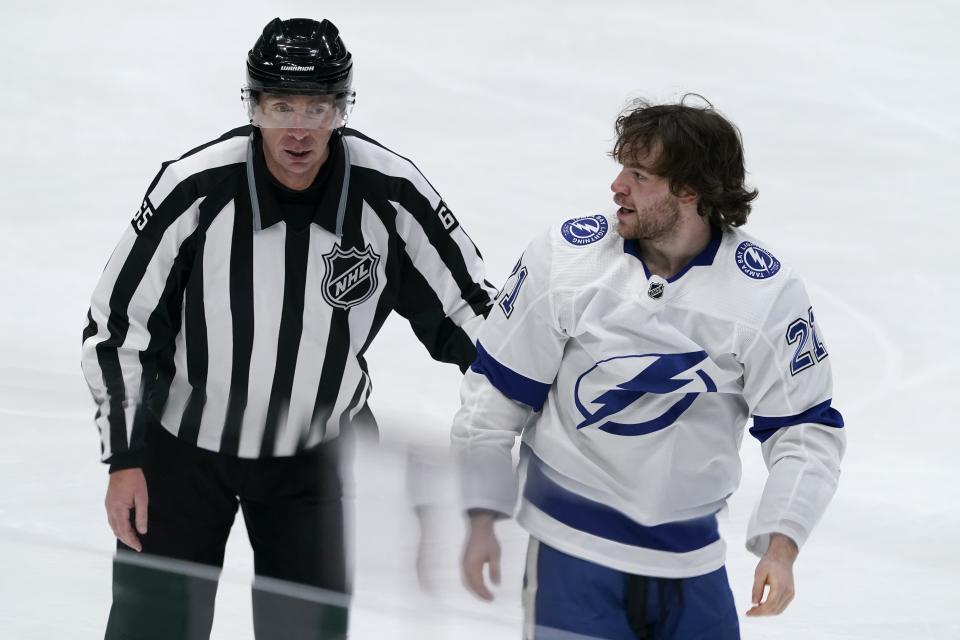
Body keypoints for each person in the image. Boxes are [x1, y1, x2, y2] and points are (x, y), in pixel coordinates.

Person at [81, 17, 495, 640]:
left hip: (315, 460)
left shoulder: (391, 193)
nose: (299, 128)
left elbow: (470, 312)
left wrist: (539, 395)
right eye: (280, 105)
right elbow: (118, 327)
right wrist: (125, 458)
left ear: (341, 109)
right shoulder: (194, 189)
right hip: (182, 456)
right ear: (253, 106)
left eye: (317, 106)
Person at [453, 96, 846, 639]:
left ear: (689, 191)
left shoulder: (764, 296)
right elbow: (496, 396)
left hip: (691, 564)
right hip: (571, 554)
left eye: (639, 175)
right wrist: (481, 515)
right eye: (621, 168)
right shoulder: (566, 262)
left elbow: (804, 431)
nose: (617, 186)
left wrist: (782, 545)